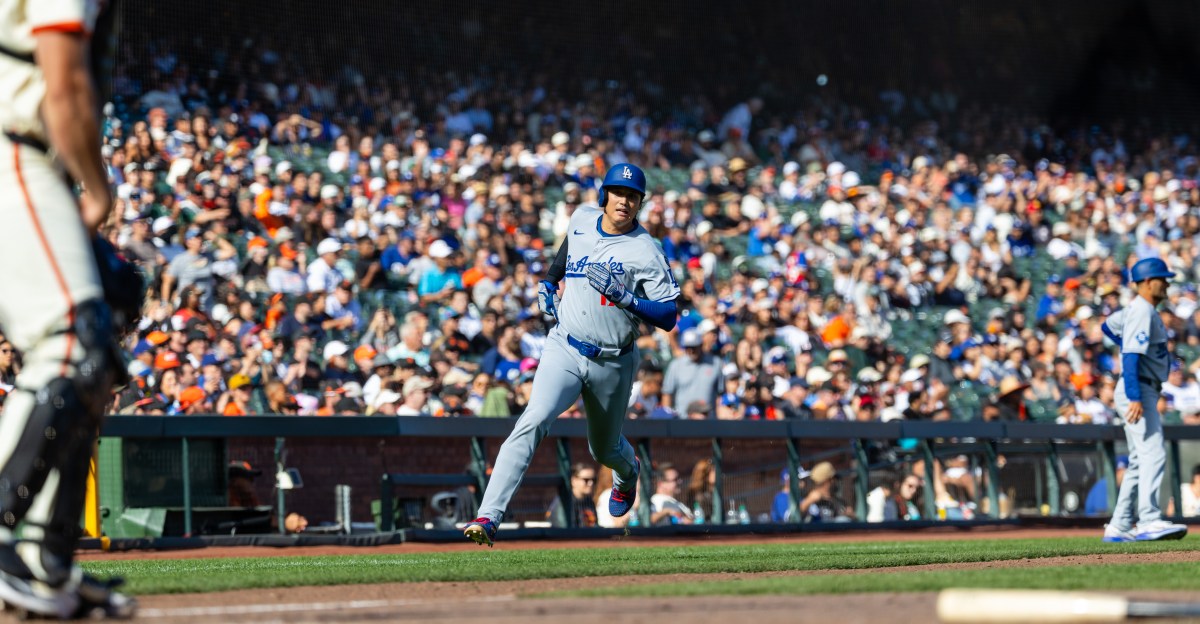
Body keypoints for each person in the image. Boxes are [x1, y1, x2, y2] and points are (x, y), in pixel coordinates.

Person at [0, 0, 137, 617]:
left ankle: (42, 559)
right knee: (75, 341)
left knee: (94, 350)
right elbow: (64, 79)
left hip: (30, 156)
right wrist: (97, 186)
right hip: (15, 151)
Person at [464, 164, 680, 546]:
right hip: (564, 344)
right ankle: (489, 516)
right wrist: (548, 281)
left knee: (605, 448)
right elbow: (566, 253)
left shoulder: (646, 249)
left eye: (632, 196)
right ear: (604, 196)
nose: (624, 201)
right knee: (534, 419)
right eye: (618, 193)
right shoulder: (582, 218)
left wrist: (628, 298)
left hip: (613, 359)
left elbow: (669, 315)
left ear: (639, 203)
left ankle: (627, 473)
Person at [1099, 258, 1188, 542]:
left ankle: (1119, 525)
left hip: (1141, 387)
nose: (1167, 283)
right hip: (1138, 389)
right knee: (1153, 453)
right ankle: (1149, 519)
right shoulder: (1141, 310)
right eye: (1163, 278)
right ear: (1149, 282)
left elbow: (1108, 327)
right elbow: (1130, 355)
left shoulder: (1138, 310)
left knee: (1139, 460)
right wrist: (1136, 395)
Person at [545, 463, 598, 528]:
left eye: (594, 480)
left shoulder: (589, 501)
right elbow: (562, 529)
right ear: (573, 480)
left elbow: (593, 525)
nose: (591, 483)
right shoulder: (564, 502)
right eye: (586, 480)